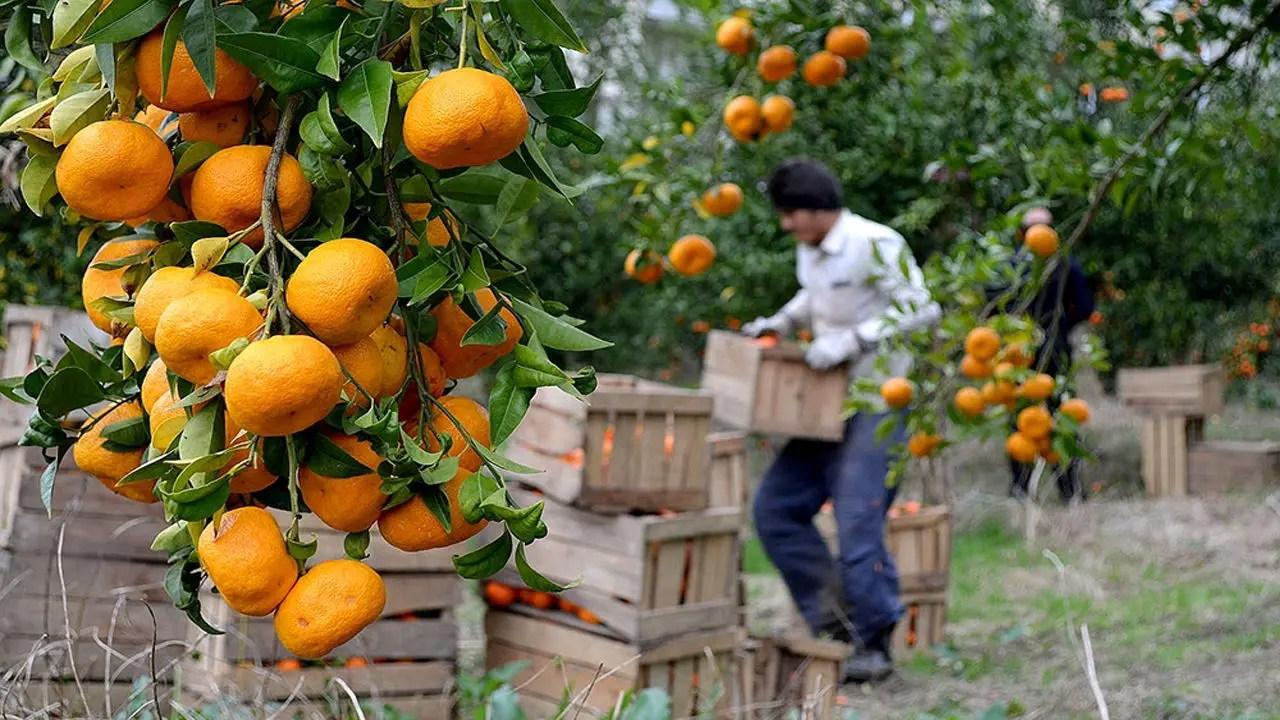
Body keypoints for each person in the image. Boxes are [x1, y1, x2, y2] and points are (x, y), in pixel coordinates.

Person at [741, 158, 941, 682]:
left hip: (877, 405)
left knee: (857, 523)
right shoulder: (810, 254)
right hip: (824, 405)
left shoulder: (876, 243)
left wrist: (854, 340)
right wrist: (780, 321)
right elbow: (817, 299)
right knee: (775, 510)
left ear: (816, 207)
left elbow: (921, 308)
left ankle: (874, 645)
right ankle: (836, 624)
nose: (786, 225)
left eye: (791, 214)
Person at [990, 207, 1095, 501]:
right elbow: (1084, 307)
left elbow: (993, 311)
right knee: (1060, 417)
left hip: (1018, 358)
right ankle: (1069, 490)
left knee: (1022, 419)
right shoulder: (1063, 264)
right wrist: (1059, 326)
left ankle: (1023, 490)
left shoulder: (1009, 267)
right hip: (1054, 351)